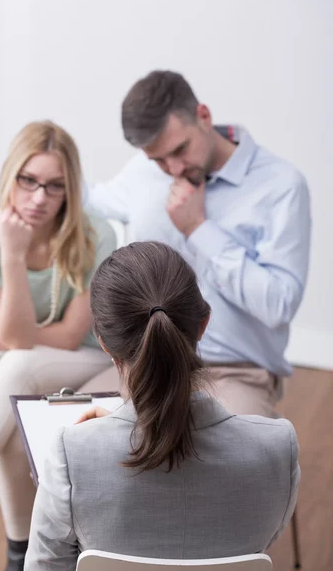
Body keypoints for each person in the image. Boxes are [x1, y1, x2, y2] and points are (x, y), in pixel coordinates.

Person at [0, 70, 311, 416]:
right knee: (64, 431)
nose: (171, 168)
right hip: (143, 360)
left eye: (179, 149)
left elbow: (278, 304)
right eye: (158, 159)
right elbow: (84, 196)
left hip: (235, 369)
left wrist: (198, 229)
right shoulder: (146, 170)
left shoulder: (280, 187)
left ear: (203, 116)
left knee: (238, 460)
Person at [24, 241, 300, 570]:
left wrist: (106, 435)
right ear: (203, 324)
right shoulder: (277, 447)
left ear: (102, 340)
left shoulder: (71, 455)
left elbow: (45, 566)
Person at [0, 121, 116, 570]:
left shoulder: (96, 234)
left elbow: (71, 335)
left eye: (55, 186)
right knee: (11, 400)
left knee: (8, 366)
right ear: (7, 178)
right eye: (28, 181)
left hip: (90, 359)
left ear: (70, 189)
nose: (39, 198)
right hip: (25, 363)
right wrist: (12, 253)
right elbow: (14, 335)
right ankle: (20, 553)